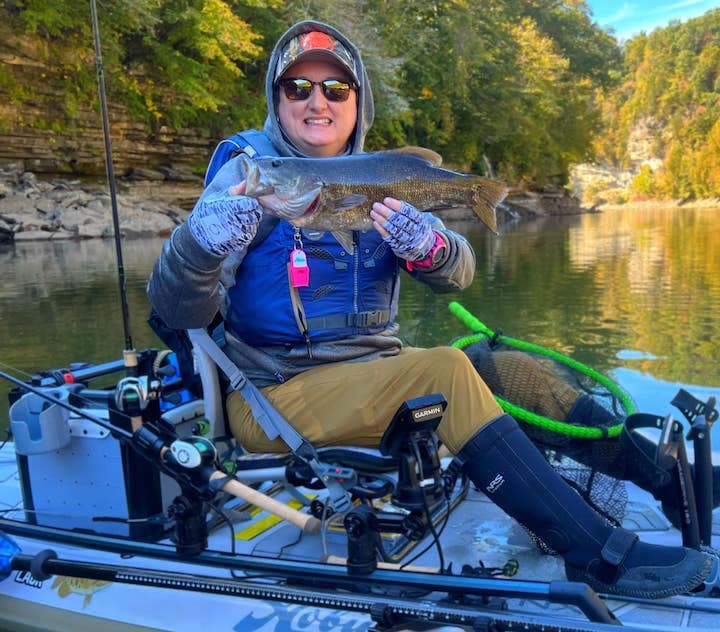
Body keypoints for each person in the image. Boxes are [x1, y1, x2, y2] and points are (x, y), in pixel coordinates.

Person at [147, 20, 717, 599]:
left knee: (511, 369)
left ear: (357, 102)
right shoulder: (250, 176)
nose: (316, 101)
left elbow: (460, 272)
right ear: (277, 100)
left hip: (375, 369)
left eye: (335, 89)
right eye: (297, 87)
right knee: (444, 369)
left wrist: (433, 249)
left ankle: (683, 486)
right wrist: (197, 241)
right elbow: (175, 307)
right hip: (276, 393)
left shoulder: (382, 173)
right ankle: (594, 555)